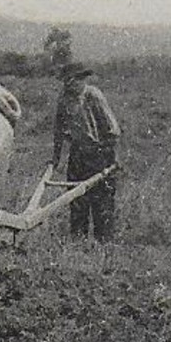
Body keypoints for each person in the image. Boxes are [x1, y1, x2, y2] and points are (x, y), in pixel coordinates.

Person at [52, 63, 121, 240]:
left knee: (102, 203)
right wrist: (56, 159)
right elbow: (59, 130)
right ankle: (78, 243)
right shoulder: (64, 99)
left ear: (82, 80)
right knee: (76, 201)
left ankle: (104, 244)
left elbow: (112, 129)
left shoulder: (93, 96)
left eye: (74, 80)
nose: (69, 84)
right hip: (78, 154)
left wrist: (108, 157)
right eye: (66, 81)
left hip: (99, 153)